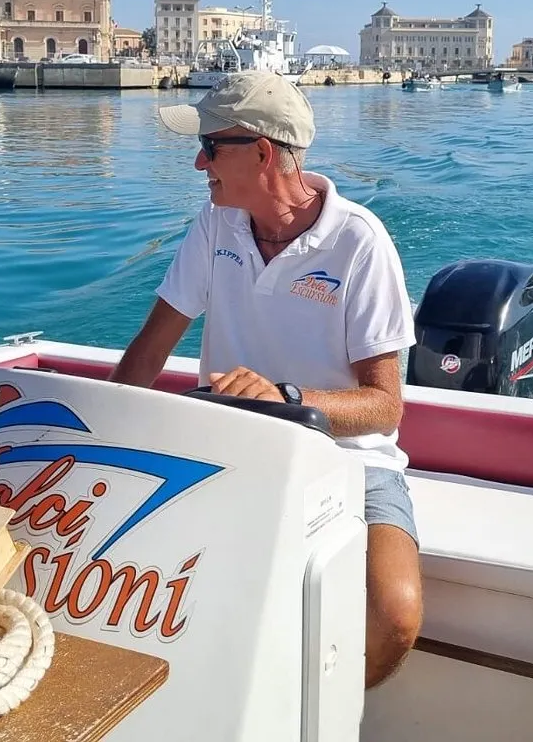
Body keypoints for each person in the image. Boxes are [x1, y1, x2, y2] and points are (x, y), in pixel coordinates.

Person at [109, 70, 422, 689]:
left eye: (210, 146)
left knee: (393, 615)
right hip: (232, 449)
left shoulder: (359, 242)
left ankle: (317, 716)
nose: (199, 163)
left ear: (260, 152)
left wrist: (286, 399)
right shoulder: (215, 225)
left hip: (349, 459)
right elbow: (148, 353)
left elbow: (384, 408)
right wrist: (101, 438)